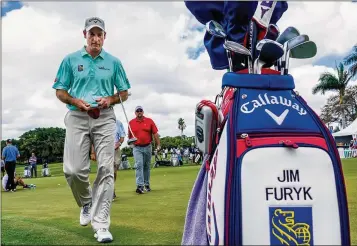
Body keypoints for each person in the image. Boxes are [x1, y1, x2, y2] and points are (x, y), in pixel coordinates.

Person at [52, 16, 131, 243]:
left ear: (105, 37)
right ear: (84, 35)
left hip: (105, 117)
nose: (95, 38)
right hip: (77, 115)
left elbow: (124, 93)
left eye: (99, 34)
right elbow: (60, 91)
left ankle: (101, 224)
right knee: (74, 170)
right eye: (91, 34)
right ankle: (86, 202)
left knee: (106, 168)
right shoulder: (70, 60)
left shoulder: (114, 62)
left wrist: (110, 99)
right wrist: (76, 101)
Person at [128, 106, 160, 194]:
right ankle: (140, 185)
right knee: (139, 165)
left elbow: (155, 134)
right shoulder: (131, 123)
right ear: (135, 113)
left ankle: (146, 184)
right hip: (137, 147)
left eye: (140, 110)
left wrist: (158, 144)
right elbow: (130, 137)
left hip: (148, 146)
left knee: (146, 166)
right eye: (137, 111)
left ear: (143, 112)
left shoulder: (149, 121)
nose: (139, 112)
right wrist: (131, 143)